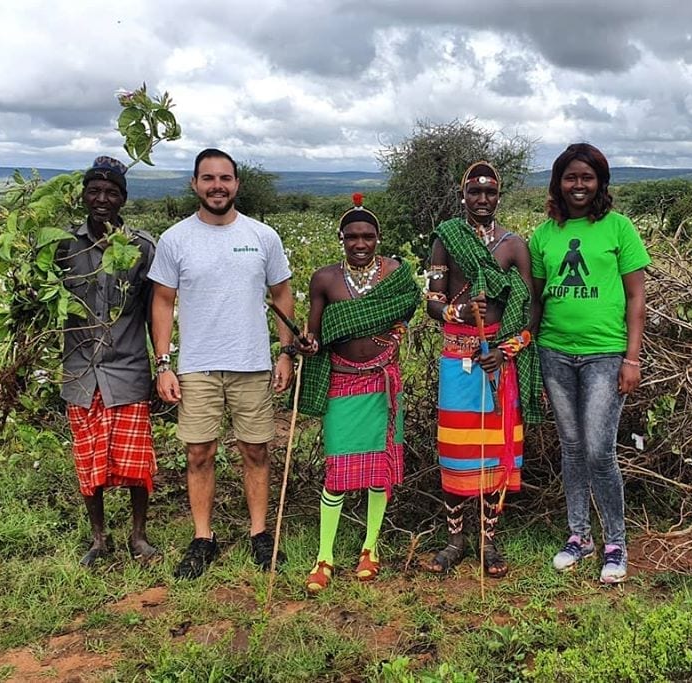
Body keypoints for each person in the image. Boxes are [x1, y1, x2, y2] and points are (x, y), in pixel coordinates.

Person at [148, 148, 296, 580]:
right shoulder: (176, 239)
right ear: (195, 184)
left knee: (256, 449)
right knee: (199, 452)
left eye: (225, 178)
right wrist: (163, 363)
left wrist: (284, 352)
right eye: (208, 178)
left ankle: (259, 533)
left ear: (237, 184)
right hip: (196, 365)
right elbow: (162, 301)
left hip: (252, 363)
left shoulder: (262, 236)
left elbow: (282, 294)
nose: (217, 186)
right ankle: (203, 538)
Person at [528, 143, 650, 584]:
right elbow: (536, 301)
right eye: (570, 177)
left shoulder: (618, 229)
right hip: (554, 353)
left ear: (600, 182)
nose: (578, 185)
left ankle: (616, 542)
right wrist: (525, 349)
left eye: (587, 177)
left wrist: (631, 358)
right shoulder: (543, 235)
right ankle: (579, 536)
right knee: (573, 448)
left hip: (604, 354)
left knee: (600, 451)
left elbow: (637, 297)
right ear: (558, 183)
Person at [295, 194, 421, 594]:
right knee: (337, 471)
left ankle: (370, 547)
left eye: (367, 236)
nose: (360, 244)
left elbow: (407, 309)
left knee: (378, 469)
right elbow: (314, 333)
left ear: (378, 238)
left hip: (383, 381)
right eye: (352, 237)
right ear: (342, 239)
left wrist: (395, 333)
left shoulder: (397, 275)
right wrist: (308, 344)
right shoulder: (325, 280)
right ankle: (324, 555)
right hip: (343, 381)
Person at [423, 161, 542, 578]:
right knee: (457, 453)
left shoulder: (514, 246)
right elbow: (431, 301)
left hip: (499, 362)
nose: (483, 199)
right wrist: (457, 309)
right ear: (464, 196)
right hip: (458, 361)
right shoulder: (446, 240)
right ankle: (456, 540)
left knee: (495, 452)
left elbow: (532, 310)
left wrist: (508, 350)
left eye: (490, 192)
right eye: (475, 192)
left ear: (498, 197)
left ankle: (489, 542)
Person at [59, 155, 160, 567]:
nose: (102, 199)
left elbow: (155, 312)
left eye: (112, 192)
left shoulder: (142, 247)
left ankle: (138, 536)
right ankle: (99, 539)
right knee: (89, 461)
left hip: (128, 367)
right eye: (95, 191)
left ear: (124, 198)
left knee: (137, 462)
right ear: (83, 195)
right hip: (81, 371)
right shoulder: (61, 244)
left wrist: (164, 365)